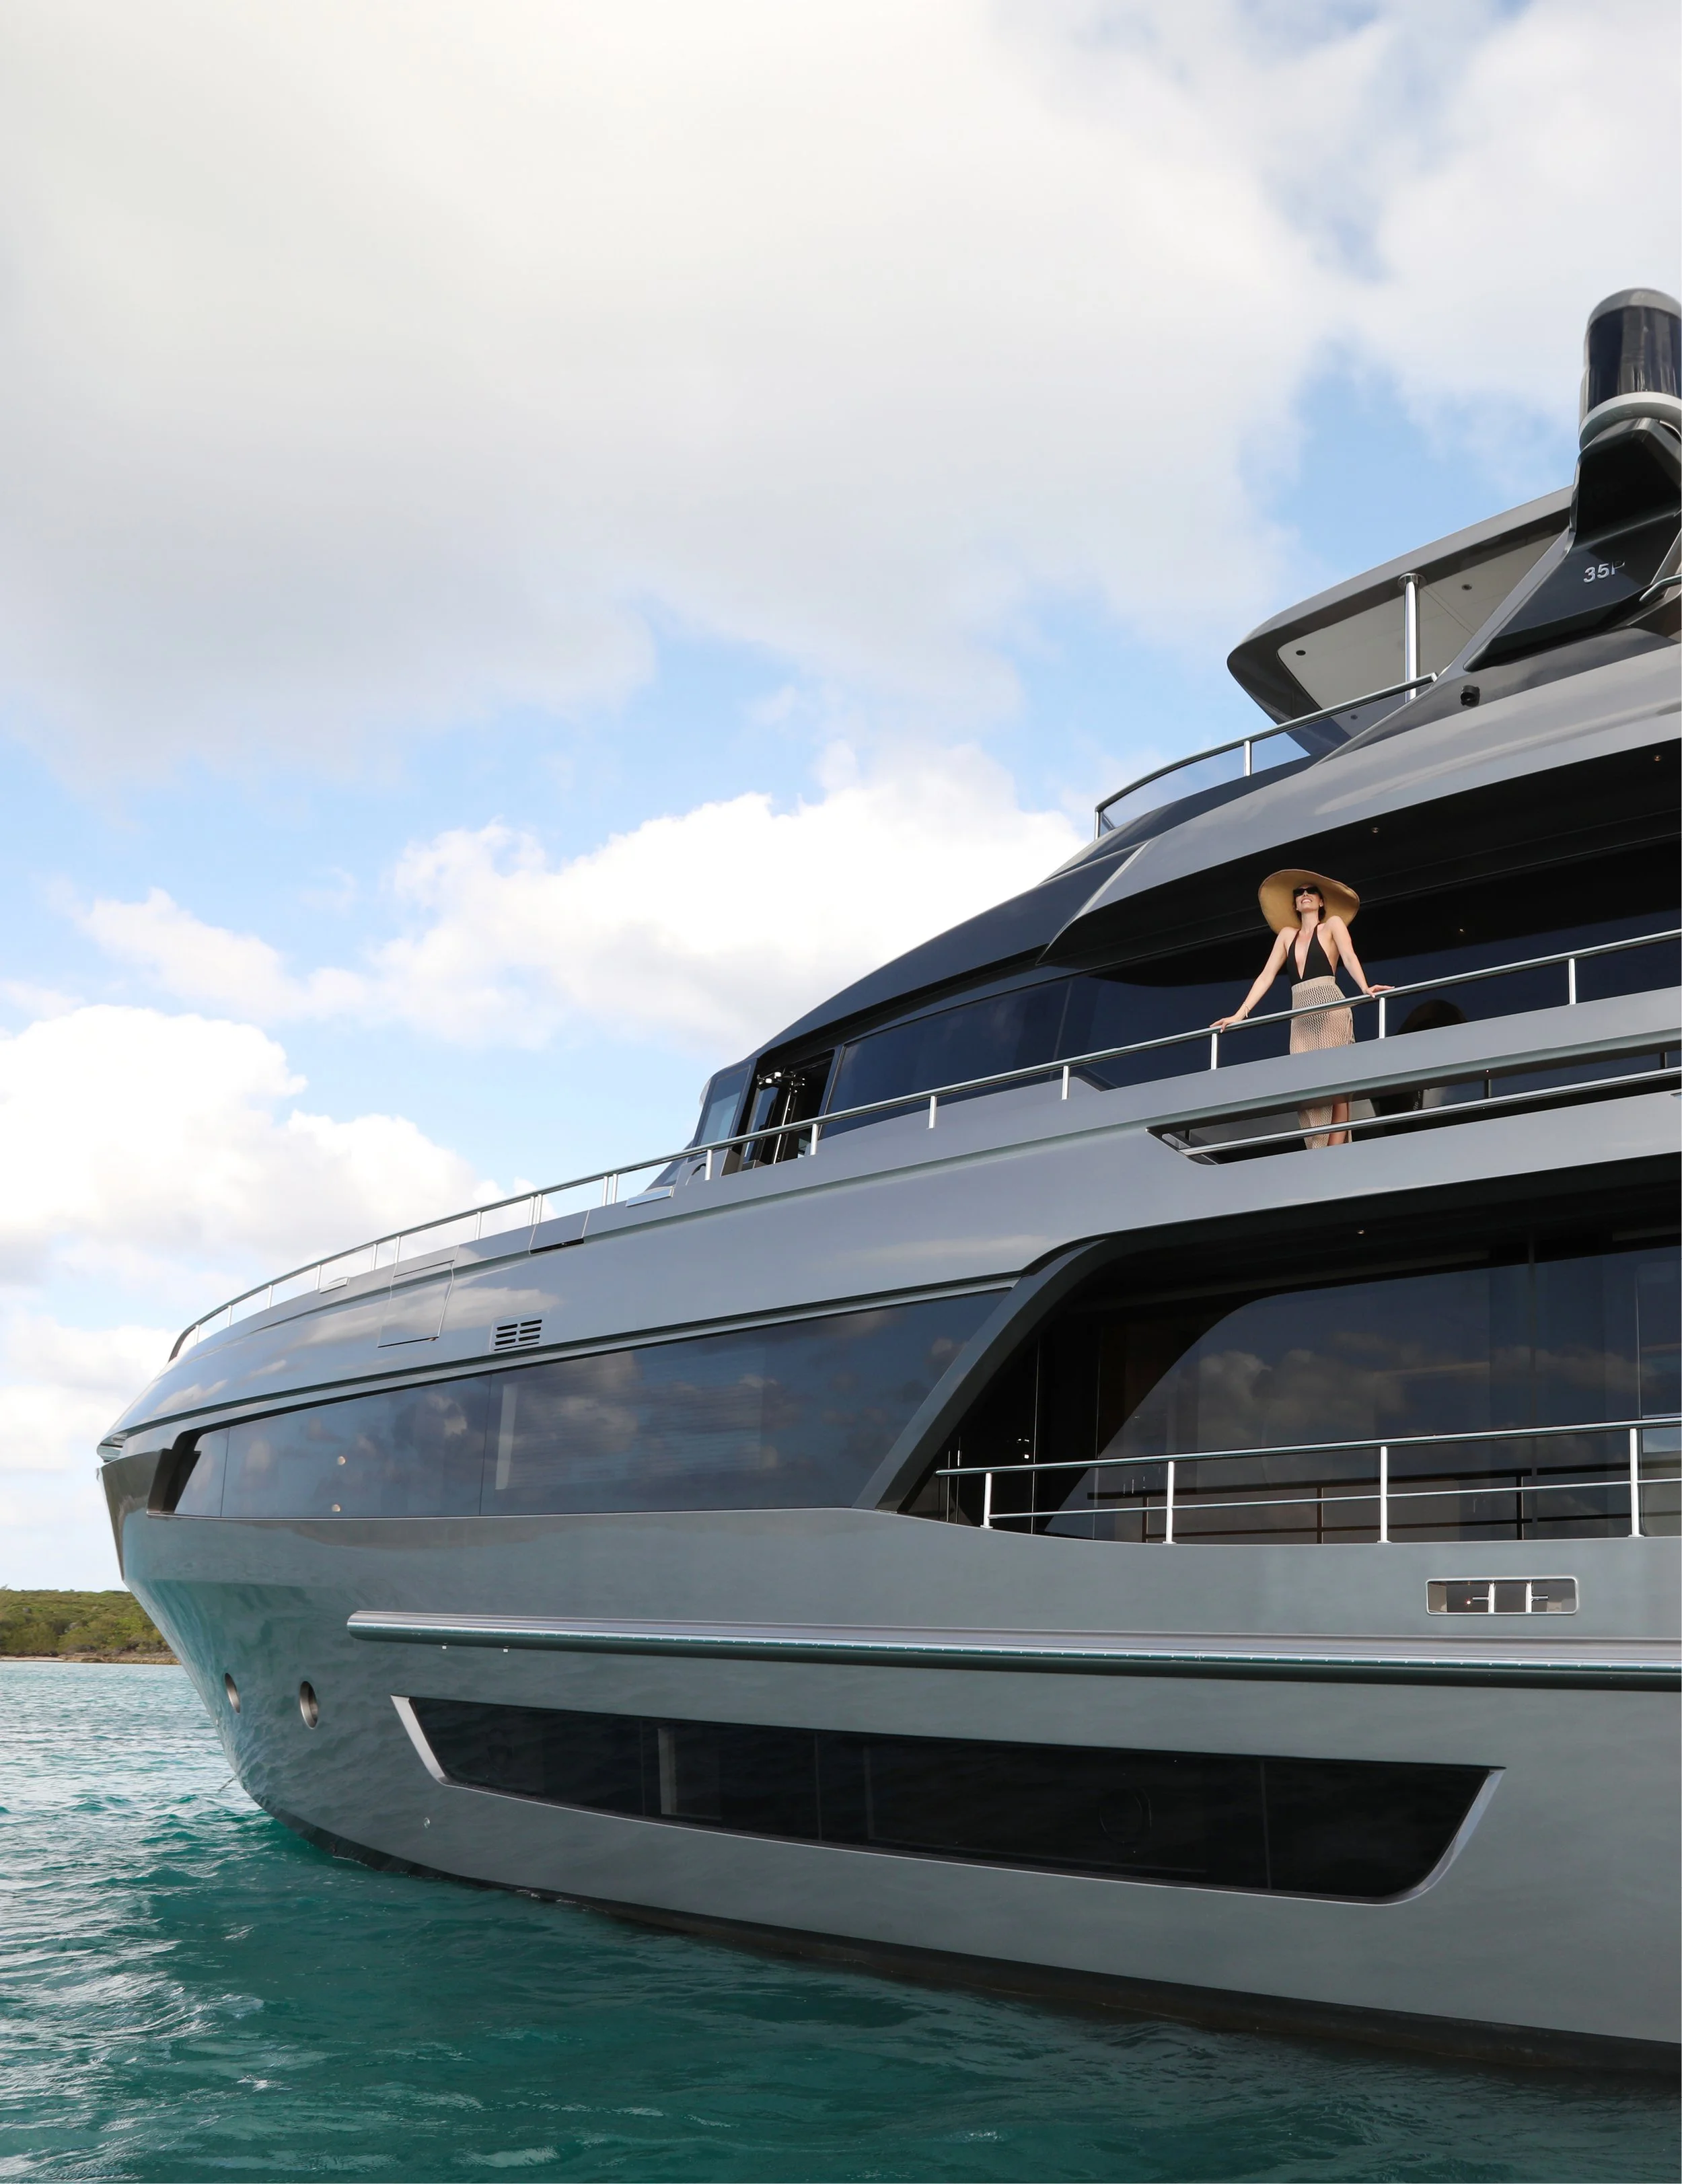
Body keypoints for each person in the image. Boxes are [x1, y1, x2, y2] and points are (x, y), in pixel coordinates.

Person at [1212, 869, 1389, 1148]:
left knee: (1337, 1085)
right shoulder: (1286, 935)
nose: (1304, 895)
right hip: (1300, 1015)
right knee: (1306, 1090)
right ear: (1295, 904)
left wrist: (1365, 987)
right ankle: (1316, 1151)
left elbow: (1349, 956)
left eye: (1310, 892)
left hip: (1330, 1006)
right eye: (1299, 893)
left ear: (1321, 901)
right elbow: (1267, 975)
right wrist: (1240, 1013)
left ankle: (1335, 1151)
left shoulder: (1332, 925)